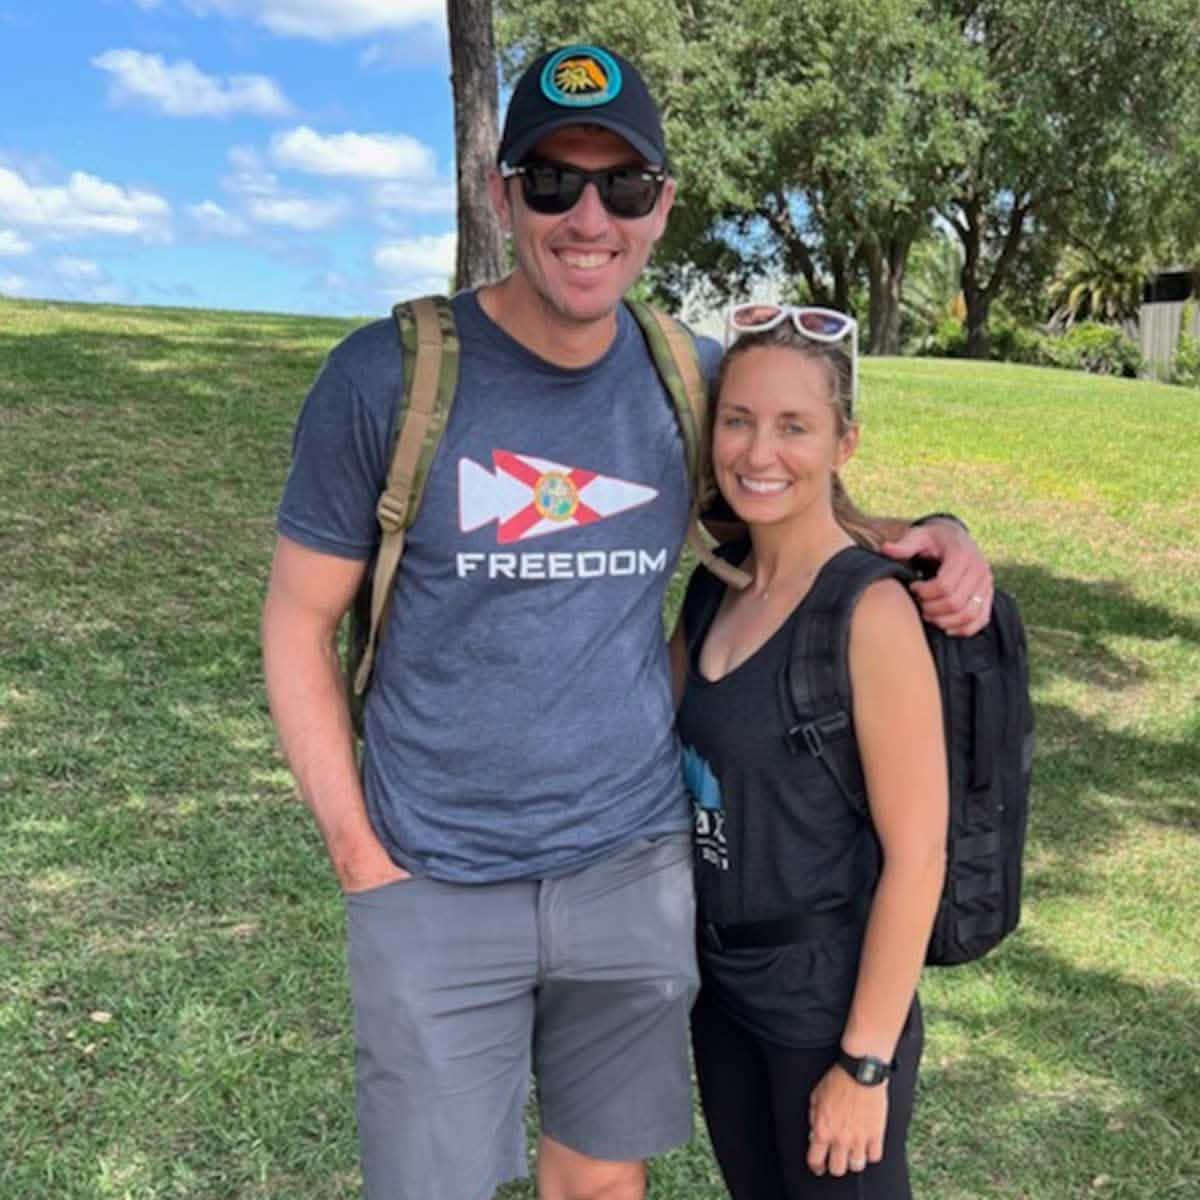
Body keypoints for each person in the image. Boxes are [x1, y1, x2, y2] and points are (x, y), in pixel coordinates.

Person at [261, 43, 987, 1200]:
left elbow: (787, 485)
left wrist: (934, 529)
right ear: (503, 194)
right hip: (436, 877)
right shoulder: (385, 381)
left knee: (600, 1183)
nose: (586, 215)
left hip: (632, 874)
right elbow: (297, 626)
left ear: (661, 208)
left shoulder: (685, 379)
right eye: (552, 181)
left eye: (623, 186)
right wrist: (361, 856)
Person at [673, 307, 949, 1199]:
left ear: (844, 444)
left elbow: (918, 854)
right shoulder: (714, 592)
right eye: (739, 420)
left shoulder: (867, 612)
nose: (759, 453)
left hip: (824, 1011)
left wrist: (865, 1064)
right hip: (723, 995)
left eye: (795, 426)